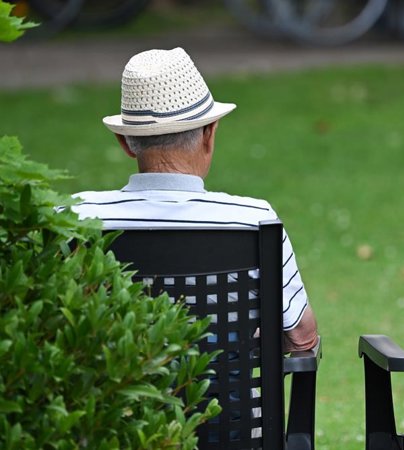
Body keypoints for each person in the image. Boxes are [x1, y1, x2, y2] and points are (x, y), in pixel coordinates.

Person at [71, 47, 318, 353]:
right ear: (209, 134)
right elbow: (302, 338)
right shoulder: (254, 220)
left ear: (125, 142)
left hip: (114, 400)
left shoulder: (75, 216)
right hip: (225, 400)